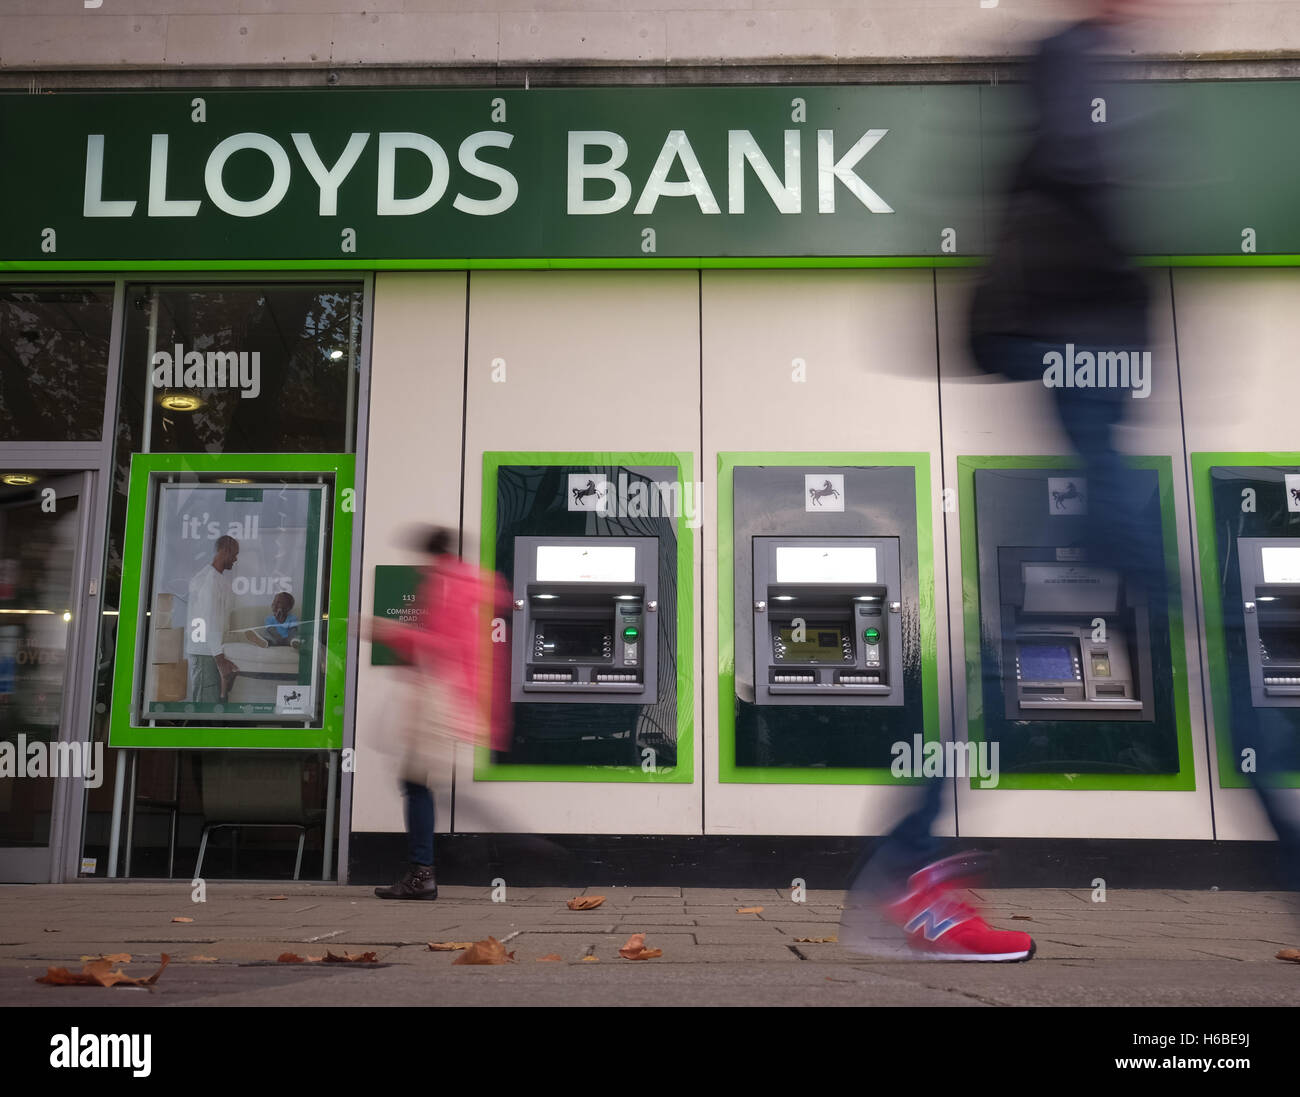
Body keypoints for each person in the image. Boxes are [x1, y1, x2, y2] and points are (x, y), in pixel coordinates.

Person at [845, 0, 1161, 962]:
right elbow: (1076, 175)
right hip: (1083, 364)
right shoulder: (1073, 59)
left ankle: (913, 870)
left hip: (1084, 369)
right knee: (1174, 622)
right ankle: (914, 876)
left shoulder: (1082, 59)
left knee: (1069, 631)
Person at [370, 526, 508, 901]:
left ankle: (423, 874)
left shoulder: (445, 583)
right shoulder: (472, 581)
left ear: (432, 553)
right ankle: (426, 869)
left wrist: (386, 631)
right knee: (420, 782)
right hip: (455, 696)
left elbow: (444, 643)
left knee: (416, 783)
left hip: (441, 697)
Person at [185, 535, 239, 703]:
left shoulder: (219, 580)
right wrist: (220, 658)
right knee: (206, 708)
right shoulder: (208, 580)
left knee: (216, 704)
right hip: (206, 653)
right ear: (224, 551)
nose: (236, 559)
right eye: (234, 554)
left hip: (215, 652)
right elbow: (210, 621)